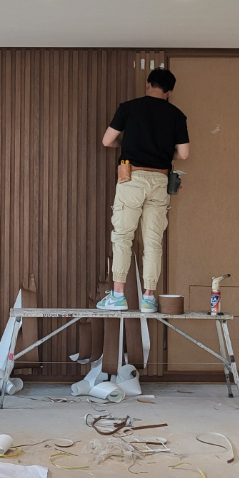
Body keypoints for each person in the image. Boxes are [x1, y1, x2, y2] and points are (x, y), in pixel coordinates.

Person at [96, 68, 190, 311]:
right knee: (153, 241)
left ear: (148, 84)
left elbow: (107, 140)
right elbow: (183, 153)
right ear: (170, 92)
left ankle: (118, 296)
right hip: (160, 180)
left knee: (123, 237)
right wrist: (162, 151)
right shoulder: (176, 115)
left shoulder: (129, 108)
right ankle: (148, 298)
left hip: (131, 177)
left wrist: (127, 142)